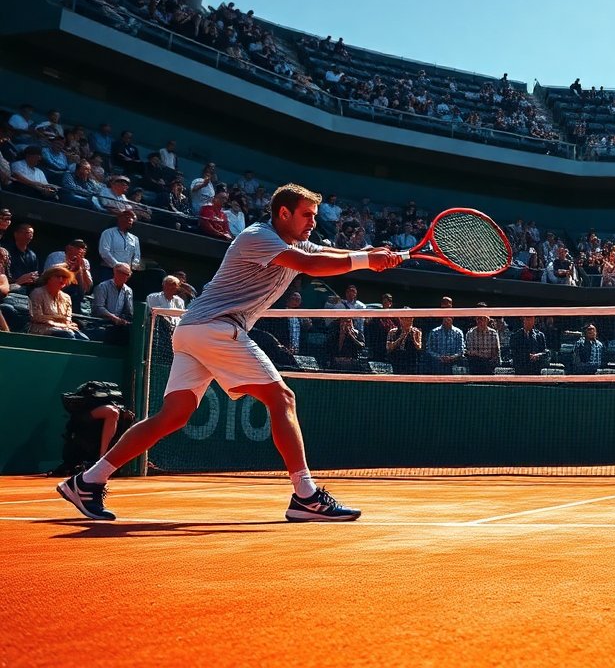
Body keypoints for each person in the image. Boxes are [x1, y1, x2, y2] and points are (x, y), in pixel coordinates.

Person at [56, 184, 403, 523]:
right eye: (306, 215)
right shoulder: (257, 236)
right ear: (283, 213)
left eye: (314, 215)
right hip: (216, 327)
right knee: (282, 399)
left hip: (194, 331)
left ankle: (88, 481)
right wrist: (365, 260)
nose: (312, 222)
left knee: (172, 417)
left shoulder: (291, 240)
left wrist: (371, 254)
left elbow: (322, 255)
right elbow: (309, 265)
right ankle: (306, 495)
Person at [28, 267, 88, 339]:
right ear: (49, 278)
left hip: (65, 328)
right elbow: (36, 317)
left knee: (84, 338)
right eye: (57, 276)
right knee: (68, 336)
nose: (61, 280)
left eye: (64, 277)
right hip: (41, 329)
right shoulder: (37, 293)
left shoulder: (66, 297)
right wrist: (61, 323)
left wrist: (64, 324)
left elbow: (68, 319)